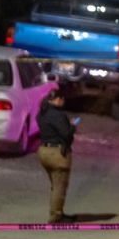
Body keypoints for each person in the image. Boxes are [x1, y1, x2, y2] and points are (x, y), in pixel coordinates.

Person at [36, 89, 77, 223]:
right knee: (59, 186)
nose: (63, 101)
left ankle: (58, 212)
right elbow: (66, 134)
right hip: (57, 154)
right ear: (57, 99)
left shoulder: (42, 114)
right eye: (62, 99)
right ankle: (56, 216)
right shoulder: (58, 115)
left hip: (44, 151)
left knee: (55, 185)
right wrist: (73, 126)